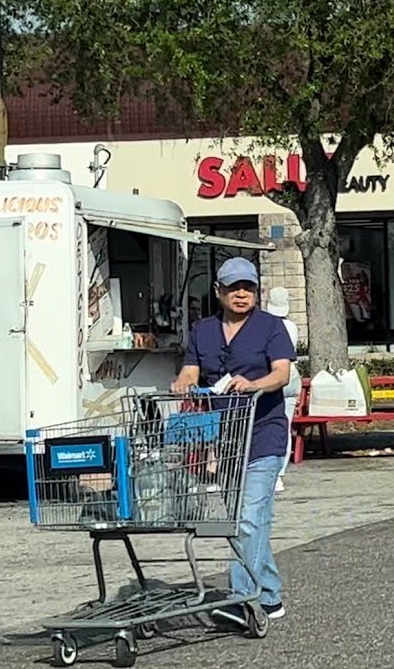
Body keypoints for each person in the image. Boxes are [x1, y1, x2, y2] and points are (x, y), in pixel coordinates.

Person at [171, 257, 296, 626]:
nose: (241, 294)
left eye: (248, 287)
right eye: (233, 287)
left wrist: (253, 385)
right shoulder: (203, 330)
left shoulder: (272, 328)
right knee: (246, 523)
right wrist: (183, 382)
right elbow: (192, 368)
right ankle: (270, 596)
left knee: (248, 519)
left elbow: (281, 373)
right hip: (224, 440)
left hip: (263, 436)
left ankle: (242, 598)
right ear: (219, 292)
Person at [264, 287, 302, 493]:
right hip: (292, 377)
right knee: (285, 427)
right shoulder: (292, 326)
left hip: (271, 378)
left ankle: (267, 471)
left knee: (266, 425)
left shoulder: (264, 327)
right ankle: (280, 474)